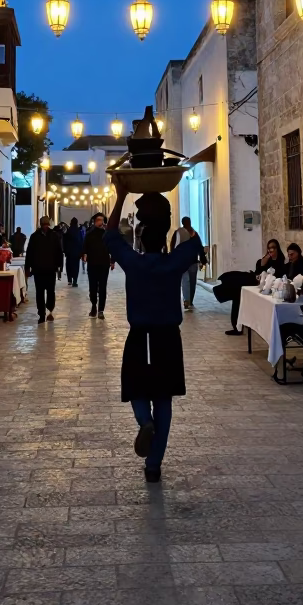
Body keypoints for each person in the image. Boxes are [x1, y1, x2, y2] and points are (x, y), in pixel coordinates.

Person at [104, 174, 202, 482]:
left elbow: (109, 237)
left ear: (141, 236)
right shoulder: (174, 262)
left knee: (136, 387)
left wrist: (120, 196)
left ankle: (143, 421)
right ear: (165, 235)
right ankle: (154, 465)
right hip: (168, 338)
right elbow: (195, 242)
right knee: (164, 398)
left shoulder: (134, 263)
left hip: (140, 335)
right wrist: (177, 223)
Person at [25, 216, 64, 323]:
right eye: (44, 225)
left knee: (51, 291)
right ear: (41, 225)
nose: (45, 227)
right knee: (40, 292)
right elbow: (29, 253)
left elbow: (59, 252)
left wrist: (60, 266)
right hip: (38, 269)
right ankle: (41, 314)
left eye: (47, 224)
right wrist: (27, 267)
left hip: (51, 269)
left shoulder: (54, 236)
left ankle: (50, 309)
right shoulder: (34, 237)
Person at [170, 217, 207, 310]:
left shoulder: (179, 233)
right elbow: (200, 248)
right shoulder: (194, 234)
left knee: (187, 281)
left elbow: (173, 246)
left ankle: (188, 300)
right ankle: (189, 300)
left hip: (184, 261)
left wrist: (173, 258)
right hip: (191, 261)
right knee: (190, 281)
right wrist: (203, 259)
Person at [83, 212, 115, 318]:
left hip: (104, 264)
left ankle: (101, 309)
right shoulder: (89, 234)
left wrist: (112, 261)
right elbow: (85, 248)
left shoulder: (107, 234)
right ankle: (93, 305)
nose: (100, 222)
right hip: (92, 264)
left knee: (102, 287)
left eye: (102, 220)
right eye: (98, 220)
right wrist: (84, 255)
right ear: (94, 222)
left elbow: (112, 247)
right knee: (93, 287)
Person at [63, 217, 83, 286]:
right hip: (76, 253)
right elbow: (81, 242)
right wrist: (81, 252)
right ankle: (75, 280)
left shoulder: (68, 231)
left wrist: (65, 251)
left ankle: (69, 280)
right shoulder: (78, 232)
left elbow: (64, 242)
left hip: (69, 253)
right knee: (76, 267)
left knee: (69, 266)